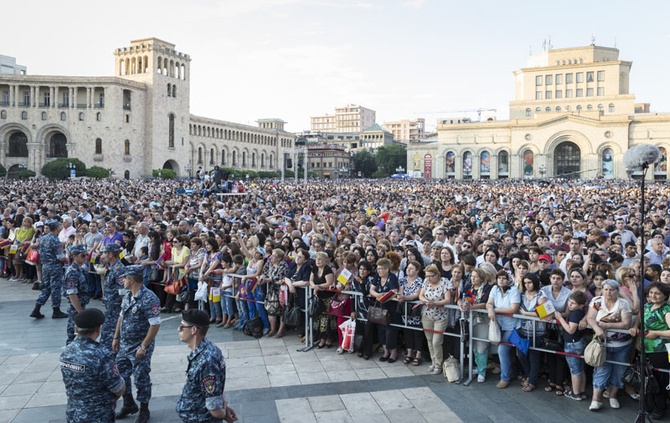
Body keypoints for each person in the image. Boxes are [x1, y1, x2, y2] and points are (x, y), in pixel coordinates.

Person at [113, 265, 161, 423]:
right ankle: (128, 404)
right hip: (125, 345)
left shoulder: (149, 298)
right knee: (121, 375)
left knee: (141, 378)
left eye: (125, 278)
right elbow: (121, 316)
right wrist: (116, 337)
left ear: (132, 280)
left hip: (139, 346)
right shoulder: (127, 296)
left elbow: (155, 325)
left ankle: (144, 409)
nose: (123, 281)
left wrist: (143, 346)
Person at [60, 308, 126, 423]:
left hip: (73, 413)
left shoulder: (67, 352)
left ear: (76, 329)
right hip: (98, 416)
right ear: (98, 329)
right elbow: (118, 388)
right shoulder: (101, 355)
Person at [176, 309, 238, 423]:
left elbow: (215, 410)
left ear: (194, 330)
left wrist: (223, 411)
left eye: (182, 327)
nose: (178, 329)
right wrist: (223, 406)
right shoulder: (206, 348)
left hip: (200, 419)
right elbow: (214, 389)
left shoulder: (206, 361)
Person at [586, 279, 633, 411]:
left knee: (619, 371)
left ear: (617, 291)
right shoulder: (596, 301)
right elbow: (590, 318)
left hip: (621, 344)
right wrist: (597, 328)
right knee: (601, 369)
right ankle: (596, 399)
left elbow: (626, 324)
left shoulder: (623, 303)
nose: (608, 292)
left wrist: (607, 325)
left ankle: (613, 395)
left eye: (611, 290)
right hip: (602, 344)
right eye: (606, 289)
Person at [632, 282, 670, 419]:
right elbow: (639, 321)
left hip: (661, 350)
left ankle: (660, 409)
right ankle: (647, 406)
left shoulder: (667, 309)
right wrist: (636, 330)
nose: (653, 295)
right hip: (645, 348)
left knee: (660, 380)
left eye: (657, 293)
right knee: (646, 378)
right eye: (651, 292)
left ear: (665, 296)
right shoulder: (647, 306)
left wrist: (656, 332)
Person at [486, 270, 521, 389]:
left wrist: (495, 310)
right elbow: (489, 303)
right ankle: (512, 373)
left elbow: (513, 309)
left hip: (512, 326)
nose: (501, 280)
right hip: (499, 324)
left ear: (508, 280)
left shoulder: (514, 290)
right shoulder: (495, 289)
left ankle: (505, 377)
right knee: (506, 351)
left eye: (504, 278)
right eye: (499, 278)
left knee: (502, 350)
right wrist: (490, 309)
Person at [30, 219, 68, 319]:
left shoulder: (43, 238)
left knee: (46, 287)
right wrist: (67, 257)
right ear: (56, 228)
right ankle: (56, 310)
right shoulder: (55, 240)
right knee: (55, 288)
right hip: (55, 267)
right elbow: (60, 257)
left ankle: (37, 308)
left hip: (45, 266)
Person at [555, 291, 588, 401]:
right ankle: (581, 391)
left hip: (572, 344)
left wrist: (560, 319)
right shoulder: (580, 312)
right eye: (569, 301)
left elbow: (570, 329)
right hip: (578, 342)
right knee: (580, 369)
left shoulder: (575, 314)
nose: (570, 304)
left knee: (575, 370)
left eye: (573, 303)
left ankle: (576, 393)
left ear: (581, 305)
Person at [418, 263, 451, 374]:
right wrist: (425, 301)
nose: (428, 278)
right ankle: (433, 362)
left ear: (437, 274)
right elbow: (421, 295)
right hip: (427, 314)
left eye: (431, 276)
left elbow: (447, 300)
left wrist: (435, 303)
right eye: (427, 276)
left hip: (441, 316)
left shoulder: (445, 281)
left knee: (437, 341)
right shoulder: (426, 282)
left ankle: (439, 364)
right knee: (430, 340)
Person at [99, 243, 126, 350]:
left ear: (111, 254)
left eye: (104, 253)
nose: (102, 256)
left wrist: (123, 312)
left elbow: (123, 293)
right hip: (111, 309)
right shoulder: (112, 268)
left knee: (109, 339)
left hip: (116, 310)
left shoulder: (119, 269)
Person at [63, 244, 91, 345]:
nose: (85, 258)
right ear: (74, 256)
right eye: (82, 255)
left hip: (81, 305)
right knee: (73, 334)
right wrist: (80, 312)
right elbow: (72, 294)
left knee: (81, 334)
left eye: (86, 255)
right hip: (75, 308)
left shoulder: (80, 269)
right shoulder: (72, 272)